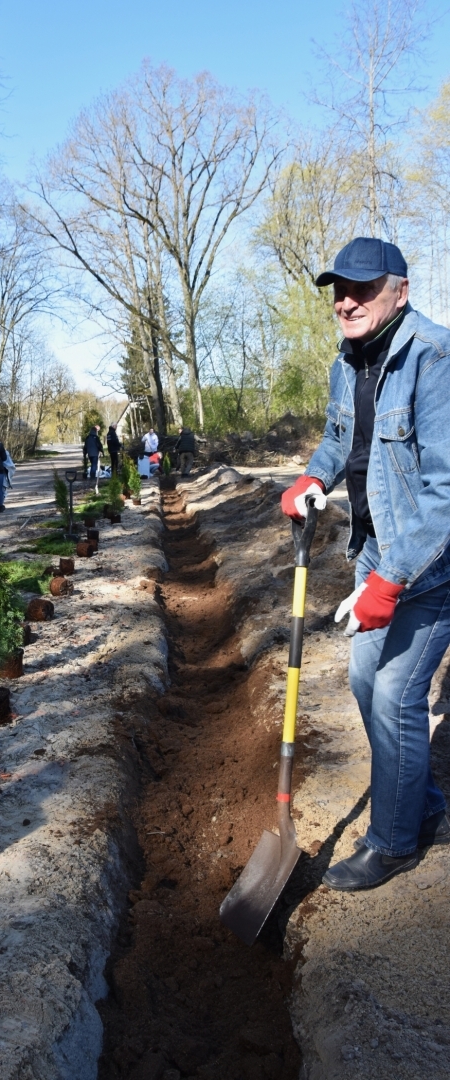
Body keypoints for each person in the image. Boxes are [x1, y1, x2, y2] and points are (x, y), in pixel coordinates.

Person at [281, 236, 450, 893]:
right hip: (375, 551)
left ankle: (395, 842)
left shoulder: (434, 359)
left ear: (399, 292)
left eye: (361, 288)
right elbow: (335, 437)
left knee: (395, 695)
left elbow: (444, 491)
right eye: (338, 289)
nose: (345, 301)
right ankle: (425, 803)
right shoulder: (347, 361)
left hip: (430, 564)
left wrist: (394, 578)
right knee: (360, 682)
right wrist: (311, 477)